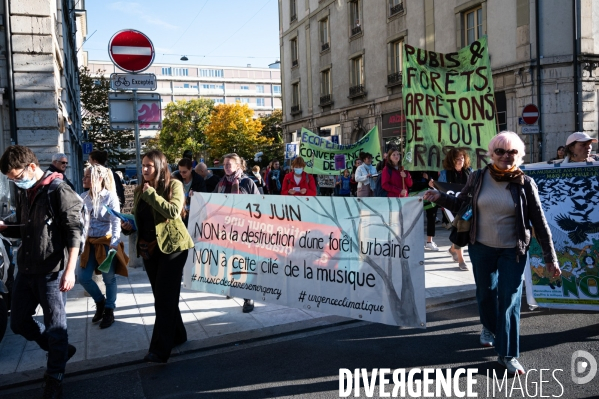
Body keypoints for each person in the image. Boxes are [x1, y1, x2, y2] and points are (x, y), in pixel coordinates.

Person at [423, 131, 561, 375]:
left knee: (509, 301)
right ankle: (488, 326)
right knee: (485, 294)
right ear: (491, 154)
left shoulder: (525, 183)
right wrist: (440, 197)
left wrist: (551, 257)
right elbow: (461, 204)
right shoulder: (477, 178)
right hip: (481, 247)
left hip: (513, 251)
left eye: (512, 152)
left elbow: (540, 223)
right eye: (500, 151)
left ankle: (507, 354)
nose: (506, 156)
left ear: (519, 155)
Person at [0, 145, 82, 398]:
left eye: (17, 177)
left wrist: (70, 271)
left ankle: (54, 376)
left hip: (51, 271)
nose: (16, 183)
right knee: (19, 321)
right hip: (27, 268)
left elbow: (74, 231)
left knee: (56, 325)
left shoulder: (59, 189)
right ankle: (59, 349)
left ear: (32, 167)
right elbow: (26, 227)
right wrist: (4, 227)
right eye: (11, 180)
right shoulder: (29, 192)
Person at [121, 150, 194, 364]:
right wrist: (128, 227)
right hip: (149, 249)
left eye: (148, 166)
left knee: (164, 298)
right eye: (143, 165)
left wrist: (151, 194)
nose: (144, 170)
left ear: (160, 167)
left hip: (173, 248)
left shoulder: (174, 185)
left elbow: (173, 212)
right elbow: (139, 218)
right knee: (164, 296)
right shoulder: (138, 190)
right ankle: (178, 334)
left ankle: (160, 350)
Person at [78, 164, 129, 329]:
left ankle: (109, 309)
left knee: (109, 278)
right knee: (83, 277)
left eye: (87, 176)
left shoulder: (110, 197)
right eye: (84, 176)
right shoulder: (82, 197)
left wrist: (115, 243)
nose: (83, 179)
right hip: (88, 243)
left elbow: (115, 221)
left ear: (98, 178)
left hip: (106, 243)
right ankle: (100, 302)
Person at [216, 153, 260, 312]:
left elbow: (259, 204)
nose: (226, 167)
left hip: (244, 230)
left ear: (238, 166)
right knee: (229, 260)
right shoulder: (221, 183)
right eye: (224, 164)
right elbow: (213, 202)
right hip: (227, 230)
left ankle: (249, 298)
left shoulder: (247, 183)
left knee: (245, 263)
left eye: (229, 164)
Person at [436, 148, 472, 270]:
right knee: (460, 228)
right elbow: (441, 190)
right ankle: (461, 260)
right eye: (457, 158)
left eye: (462, 158)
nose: (460, 160)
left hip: (466, 206)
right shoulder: (445, 174)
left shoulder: (469, 172)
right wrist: (433, 185)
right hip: (450, 207)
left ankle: (453, 249)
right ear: (452, 160)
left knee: (461, 229)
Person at [173, 158, 206, 226]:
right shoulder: (176, 177)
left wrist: (196, 194)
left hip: (193, 214)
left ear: (191, 169)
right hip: (179, 212)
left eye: (184, 172)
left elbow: (203, 196)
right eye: (180, 171)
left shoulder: (198, 180)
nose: (182, 174)